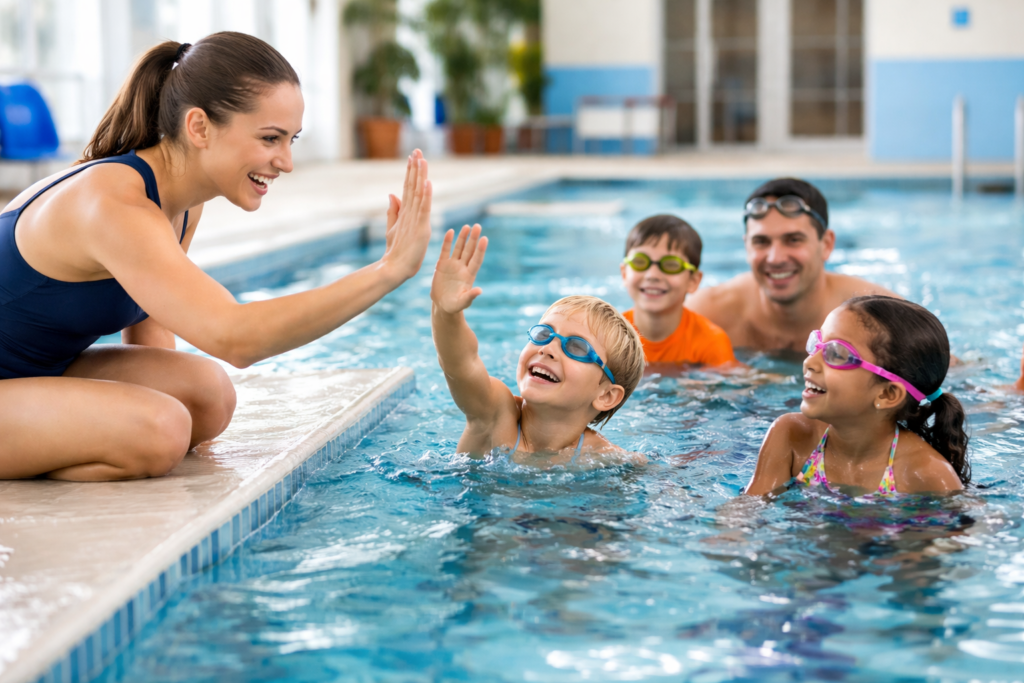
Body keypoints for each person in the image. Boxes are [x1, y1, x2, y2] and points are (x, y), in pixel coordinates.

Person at [0, 33, 433, 481]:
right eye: (270, 138)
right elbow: (236, 338)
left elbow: (151, 330)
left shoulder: (183, 204)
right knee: (159, 431)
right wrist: (387, 271)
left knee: (209, 396)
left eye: (291, 140)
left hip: (37, 371)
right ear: (199, 127)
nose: (285, 161)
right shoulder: (113, 205)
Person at [430, 224, 646, 467]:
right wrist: (446, 314)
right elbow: (461, 364)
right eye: (544, 333)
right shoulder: (495, 414)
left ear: (606, 395)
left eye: (576, 347)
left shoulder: (606, 458)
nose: (548, 348)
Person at [745, 296, 969, 496]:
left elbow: (954, 538)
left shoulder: (926, 474)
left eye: (836, 353)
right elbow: (745, 514)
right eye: (817, 344)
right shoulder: (791, 435)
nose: (809, 362)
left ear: (887, 393)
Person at [687, 178, 897, 353]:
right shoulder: (707, 315)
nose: (775, 258)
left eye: (793, 240)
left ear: (826, 244)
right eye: (761, 242)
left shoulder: (881, 319)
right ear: (746, 246)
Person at [620, 214, 736, 367]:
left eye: (671, 265)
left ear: (693, 281)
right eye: (640, 262)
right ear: (624, 274)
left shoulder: (710, 343)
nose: (652, 275)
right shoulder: (610, 336)